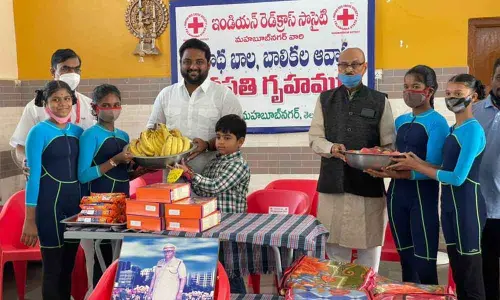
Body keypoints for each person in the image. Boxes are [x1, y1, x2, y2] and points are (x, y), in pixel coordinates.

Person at [390, 74, 487, 299]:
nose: (452, 98)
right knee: (459, 273)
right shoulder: (455, 128)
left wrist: (417, 166)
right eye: (450, 93)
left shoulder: (473, 129)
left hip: (468, 208)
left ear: (473, 97)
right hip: (450, 208)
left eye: (459, 94)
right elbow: (441, 166)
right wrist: (411, 162)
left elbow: (457, 178)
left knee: (471, 275)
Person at [308, 47, 396, 271]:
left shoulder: (379, 100)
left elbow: (389, 145)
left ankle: (367, 292)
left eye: (355, 64)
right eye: (343, 65)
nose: (348, 69)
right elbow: (315, 138)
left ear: (365, 67)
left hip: (367, 184)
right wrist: (331, 147)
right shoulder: (325, 99)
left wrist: (374, 156)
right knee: (335, 252)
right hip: (332, 184)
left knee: (368, 252)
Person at [365, 65, 449, 284]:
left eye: (416, 86)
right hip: (395, 197)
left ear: (429, 91)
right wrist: (381, 168)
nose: (409, 91)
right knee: (406, 261)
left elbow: (434, 168)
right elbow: (393, 157)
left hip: (422, 199)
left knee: (424, 263)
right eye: (405, 86)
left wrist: (405, 175)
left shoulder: (437, 123)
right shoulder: (400, 121)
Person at [78, 84, 150, 289]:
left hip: (122, 204)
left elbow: (120, 176)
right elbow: (83, 175)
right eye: (106, 105)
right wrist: (114, 161)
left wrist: (137, 173)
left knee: (122, 259)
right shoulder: (90, 135)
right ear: (95, 108)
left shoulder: (124, 136)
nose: (112, 109)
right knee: (102, 258)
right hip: (100, 207)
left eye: (116, 104)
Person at [22, 80, 83, 299]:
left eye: (66, 98)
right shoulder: (38, 132)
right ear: (46, 104)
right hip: (49, 207)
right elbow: (33, 178)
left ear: (73, 102)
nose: (62, 104)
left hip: (75, 208)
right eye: (55, 99)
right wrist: (29, 219)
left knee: (68, 268)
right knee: (52, 269)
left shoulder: (78, 132)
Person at [177, 114, 250, 293]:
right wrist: (187, 173)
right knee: (213, 270)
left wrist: (191, 175)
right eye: (218, 137)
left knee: (231, 272)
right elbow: (202, 191)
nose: (221, 142)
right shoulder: (214, 162)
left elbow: (214, 187)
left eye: (227, 138)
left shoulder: (238, 164)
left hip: (230, 227)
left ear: (240, 142)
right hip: (212, 226)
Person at [147, 38, 242, 175]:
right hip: (174, 180)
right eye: (187, 62)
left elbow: (235, 134)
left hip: (213, 179)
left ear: (208, 65)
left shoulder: (224, 96)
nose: (193, 67)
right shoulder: (166, 95)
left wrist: (208, 144)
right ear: (180, 64)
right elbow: (152, 131)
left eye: (199, 62)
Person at [10, 48, 94, 167]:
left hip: (82, 176)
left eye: (76, 69)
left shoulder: (89, 105)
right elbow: (20, 145)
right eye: (65, 68)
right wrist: (26, 161)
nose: (72, 74)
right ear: (53, 71)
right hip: (48, 175)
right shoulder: (34, 107)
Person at [474, 58, 500, 299]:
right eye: (499, 77)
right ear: (492, 79)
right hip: (479, 206)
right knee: (486, 273)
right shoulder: (474, 111)